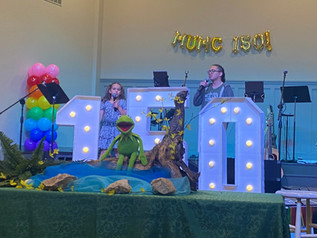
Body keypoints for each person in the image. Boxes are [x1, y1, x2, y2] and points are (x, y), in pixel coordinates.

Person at [98, 82, 127, 159]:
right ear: (110, 91)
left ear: (120, 92)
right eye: (114, 89)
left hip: (117, 128)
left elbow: (125, 115)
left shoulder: (122, 102)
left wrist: (118, 107)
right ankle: (99, 166)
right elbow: (100, 116)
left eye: (118, 89)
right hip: (106, 128)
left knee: (117, 150)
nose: (116, 91)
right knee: (104, 149)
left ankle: (119, 166)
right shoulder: (104, 102)